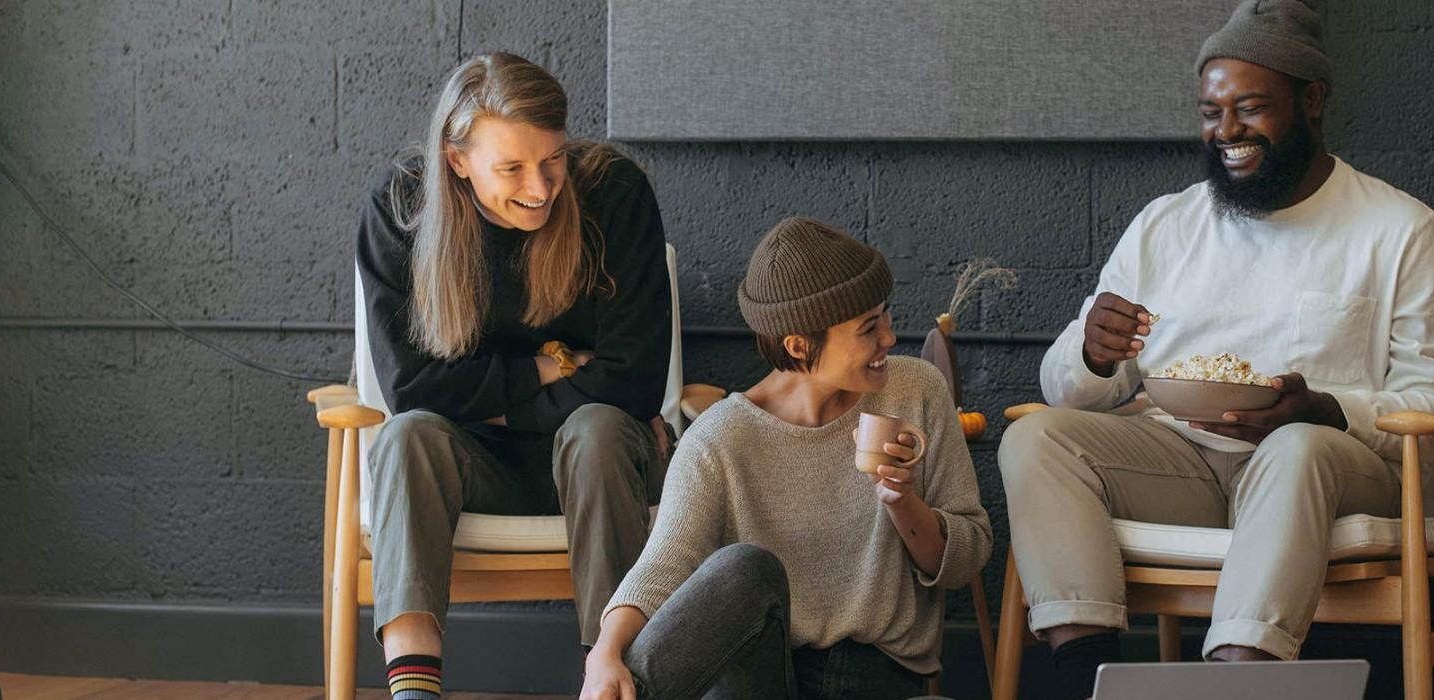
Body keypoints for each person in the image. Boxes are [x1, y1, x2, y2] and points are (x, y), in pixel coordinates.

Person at [998, 1, 1434, 697]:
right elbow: (1069, 390)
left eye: (1250, 109)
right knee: (1038, 440)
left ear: (1311, 101)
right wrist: (1095, 356)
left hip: (1336, 471)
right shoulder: (1167, 224)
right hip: (1183, 462)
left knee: (1296, 447)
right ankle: (1082, 679)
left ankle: (1238, 686)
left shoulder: (1400, 230)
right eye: (1210, 112)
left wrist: (1326, 409)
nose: (1227, 132)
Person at [356, 52, 672, 700]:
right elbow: (412, 389)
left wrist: (486, 397)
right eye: (512, 168)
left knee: (597, 432)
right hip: (472, 465)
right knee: (408, 437)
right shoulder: (401, 209)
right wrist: (548, 366)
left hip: (604, 463)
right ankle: (413, 693)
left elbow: (634, 381)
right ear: (456, 160)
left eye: (552, 159)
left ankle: (608, 680)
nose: (540, 186)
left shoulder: (613, 193)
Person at [579, 217, 992, 700]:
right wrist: (604, 653)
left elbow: (967, 560)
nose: (888, 338)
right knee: (743, 569)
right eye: (868, 328)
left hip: (877, 674)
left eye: (886, 315)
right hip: (757, 678)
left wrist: (903, 502)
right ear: (799, 345)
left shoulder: (916, 390)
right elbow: (663, 567)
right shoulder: (720, 439)